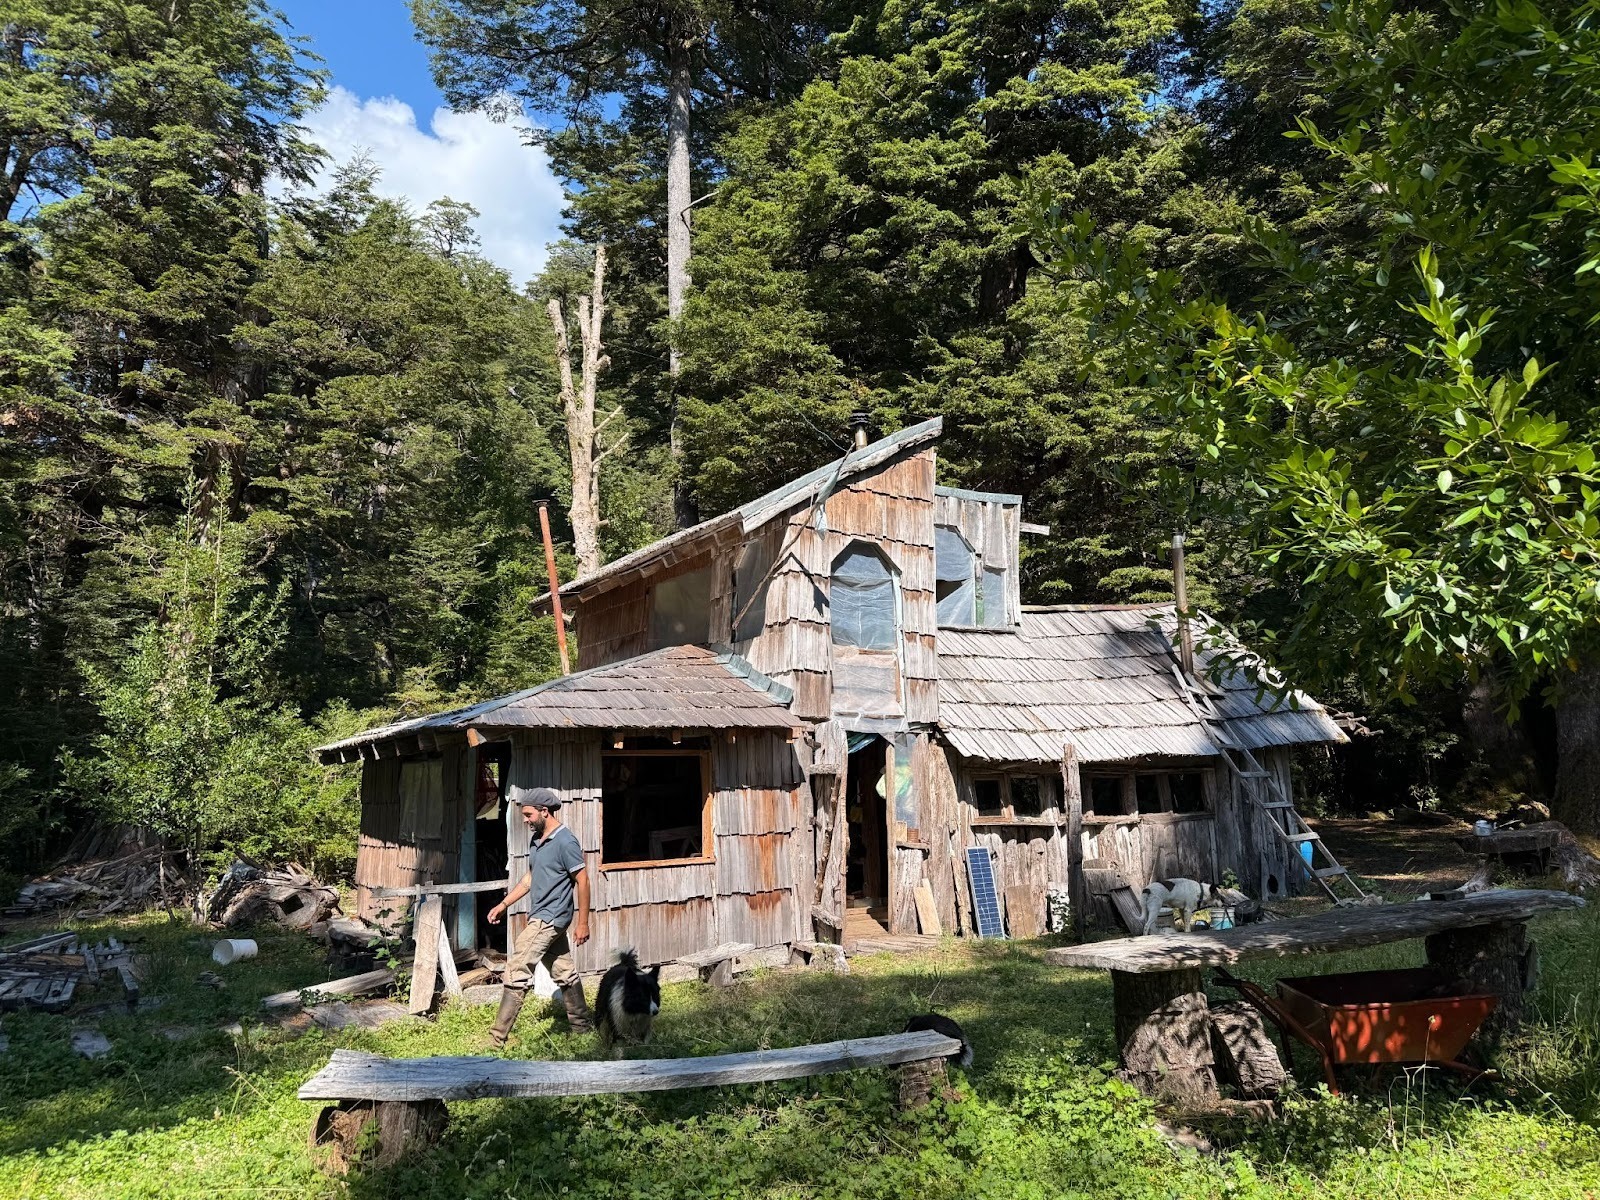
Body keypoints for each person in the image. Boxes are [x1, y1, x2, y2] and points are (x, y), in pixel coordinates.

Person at [486, 787, 593, 1045]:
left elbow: (583, 880)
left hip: (550, 917)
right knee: (564, 972)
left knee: (517, 967)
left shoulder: (565, 841)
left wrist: (583, 922)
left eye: (528, 815)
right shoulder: (537, 840)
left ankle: (496, 1039)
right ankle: (584, 1029)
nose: (525, 820)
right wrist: (503, 904)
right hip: (541, 915)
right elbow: (530, 878)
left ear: (545, 812)